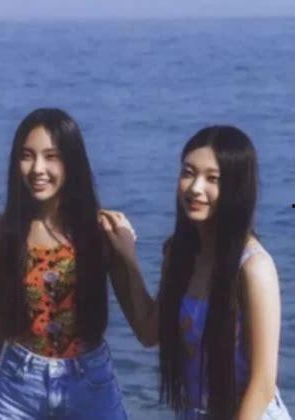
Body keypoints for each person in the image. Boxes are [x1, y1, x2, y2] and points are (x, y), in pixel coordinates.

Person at [100, 126, 291, 419]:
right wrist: (125, 258)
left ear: (236, 187)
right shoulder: (180, 255)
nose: (195, 188)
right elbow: (149, 331)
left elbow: (262, 384)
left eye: (212, 178)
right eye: (188, 173)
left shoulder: (253, 267)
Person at [0, 108, 137, 420]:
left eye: (51, 156)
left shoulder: (99, 233)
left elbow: (147, 331)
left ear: (72, 162)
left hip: (90, 385)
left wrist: (128, 257)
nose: (38, 168)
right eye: (27, 156)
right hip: (19, 387)